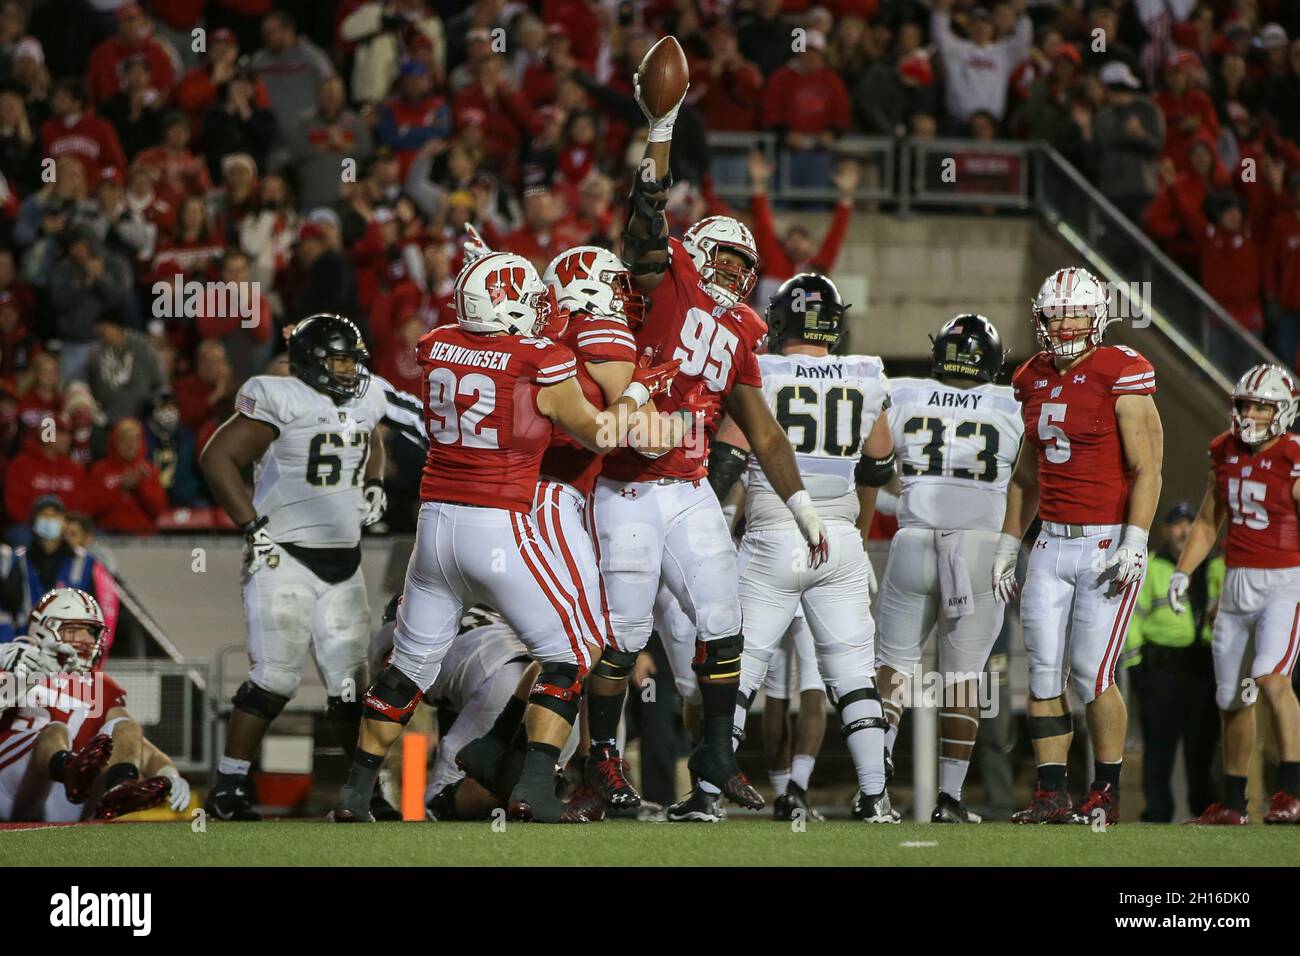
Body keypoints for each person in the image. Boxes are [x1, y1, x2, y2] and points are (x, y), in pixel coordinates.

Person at [329, 251, 681, 824]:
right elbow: (599, 436)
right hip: (498, 525)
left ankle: (354, 793)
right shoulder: (538, 358)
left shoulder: (437, 342)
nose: (543, 309)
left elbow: (476, 349)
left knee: (409, 669)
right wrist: (639, 391)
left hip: (434, 525)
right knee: (570, 654)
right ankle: (534, 785)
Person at [588, 74, 831, 822]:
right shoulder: (665, 279)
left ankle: (717, 757)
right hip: (625, 484)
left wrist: (804, 510)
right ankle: (600, 763)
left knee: (725, 625)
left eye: (742, 269)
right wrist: (660, 127)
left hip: (689, 488)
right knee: (624, 636)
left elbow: (761, 429)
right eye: (721, 261)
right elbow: (643, 222)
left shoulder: (744, 330)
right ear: (696, 254)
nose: (731, 277)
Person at [706, 273, 896, 823]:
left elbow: (730, 459)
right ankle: (875, 795)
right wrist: (857, 537)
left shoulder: (760, 370)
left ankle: (707, 792)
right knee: (853, 673)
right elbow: (879, 462)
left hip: (772, 533)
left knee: (737, 670)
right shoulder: (867, 374)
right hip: (837, 537)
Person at [199, 315, 391, 822]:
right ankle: (228, 788)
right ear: (313, 360)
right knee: (275, 679)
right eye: (342, 360)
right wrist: (251, 526)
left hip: (344, 564)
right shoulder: (280, 396)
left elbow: (371, 437)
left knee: (351, 686)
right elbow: (217, 457)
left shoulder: (366, 399)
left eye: (355, 360)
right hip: (283, 555)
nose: (352, 370)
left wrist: (374, 484)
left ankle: (362, 793)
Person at [994, 266, 1163, 825]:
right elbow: (1025, 474)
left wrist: (1135, 540)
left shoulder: (1121, 369)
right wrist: (1006, 544)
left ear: (1097, 317)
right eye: (1056, 313)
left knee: (1091, 672)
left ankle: (1106, 792)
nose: (1065, 323)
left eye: (1076, 313)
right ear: (1040, 317)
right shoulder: (1030, 378)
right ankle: (1050, 794)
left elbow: (1149, 469)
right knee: (1042, 672)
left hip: (1105, 543)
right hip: (1049, 544)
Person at [875, 313, 1023, 823]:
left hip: (914, 539)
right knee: (963, 679)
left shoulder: (905, 392)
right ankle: (950, 799)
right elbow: (1035, 477)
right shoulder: (1014, 403)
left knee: (891, 671)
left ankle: (874, 789)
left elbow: (871, 457)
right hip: (982, 550)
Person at [1173, 365, 1300, 825]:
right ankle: (1232, 802)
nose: (1251, 413)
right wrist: (1183, 573)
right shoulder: (1222, 450)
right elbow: (1209, 520)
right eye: (1246, 403)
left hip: (1285, 581)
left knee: (1270, 677)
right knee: (1231, 697)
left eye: (1262, 405)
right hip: (1235, 584)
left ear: (1283, 411)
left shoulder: (1293, 456)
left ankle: (1292, 792)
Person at [0, 588, 190, 821]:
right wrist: (18, 680)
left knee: (126, 726)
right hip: (10, 787)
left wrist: (169, 773)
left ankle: (120, 788)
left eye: (91, 631)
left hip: (71, 796)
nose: (85, 640)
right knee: (55, 731)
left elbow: (136, 742)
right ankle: (69, 767)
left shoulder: (100, 685)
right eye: (73, 630)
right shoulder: (17, 662)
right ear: (44, 629)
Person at [1122, 501, 1221, 823]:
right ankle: (1157, 813)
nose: (1183, 530)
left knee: (1202, 747)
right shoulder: (1151, 566)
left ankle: (1205, 810)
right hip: (1162, 669)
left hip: (1205, 668)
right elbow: (1132, 620)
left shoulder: (1218, 566)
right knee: (1159, 748)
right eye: (1176, 524)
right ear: (1165, 531)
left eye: (1189, 523)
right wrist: (1136, 667)